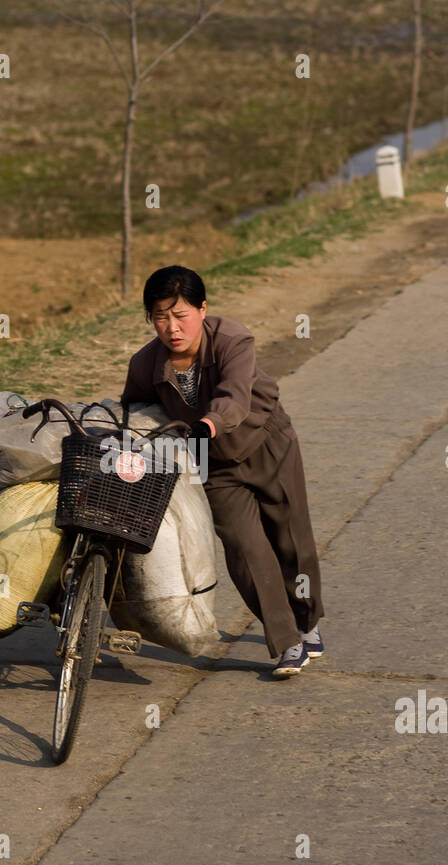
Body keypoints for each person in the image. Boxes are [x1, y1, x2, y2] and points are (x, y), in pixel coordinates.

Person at [120, 265, 325, 678]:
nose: (172, 327)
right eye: (161, 317)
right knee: (245, 549)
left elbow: (234, 397)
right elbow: (134, 411)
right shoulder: (145, 365)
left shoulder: (234, 339)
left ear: (202, 308)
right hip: (211, 464)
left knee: (291, 541)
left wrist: (207, 424)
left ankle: (308, 621)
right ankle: (286, 642)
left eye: (181, 315)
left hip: (268, 444)